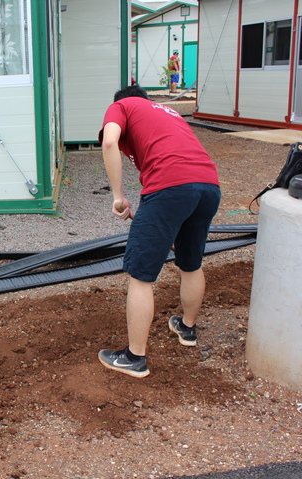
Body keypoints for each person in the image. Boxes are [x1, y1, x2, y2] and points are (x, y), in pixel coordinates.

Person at [96, 85, 220, 378]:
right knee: (191, 263)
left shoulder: (122, 106)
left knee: (140, 274)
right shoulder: (169, 113)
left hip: (170, 186)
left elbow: (110, 142)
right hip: (208, 186)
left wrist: (118, 196)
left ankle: (134, 358)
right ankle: (187, 328)